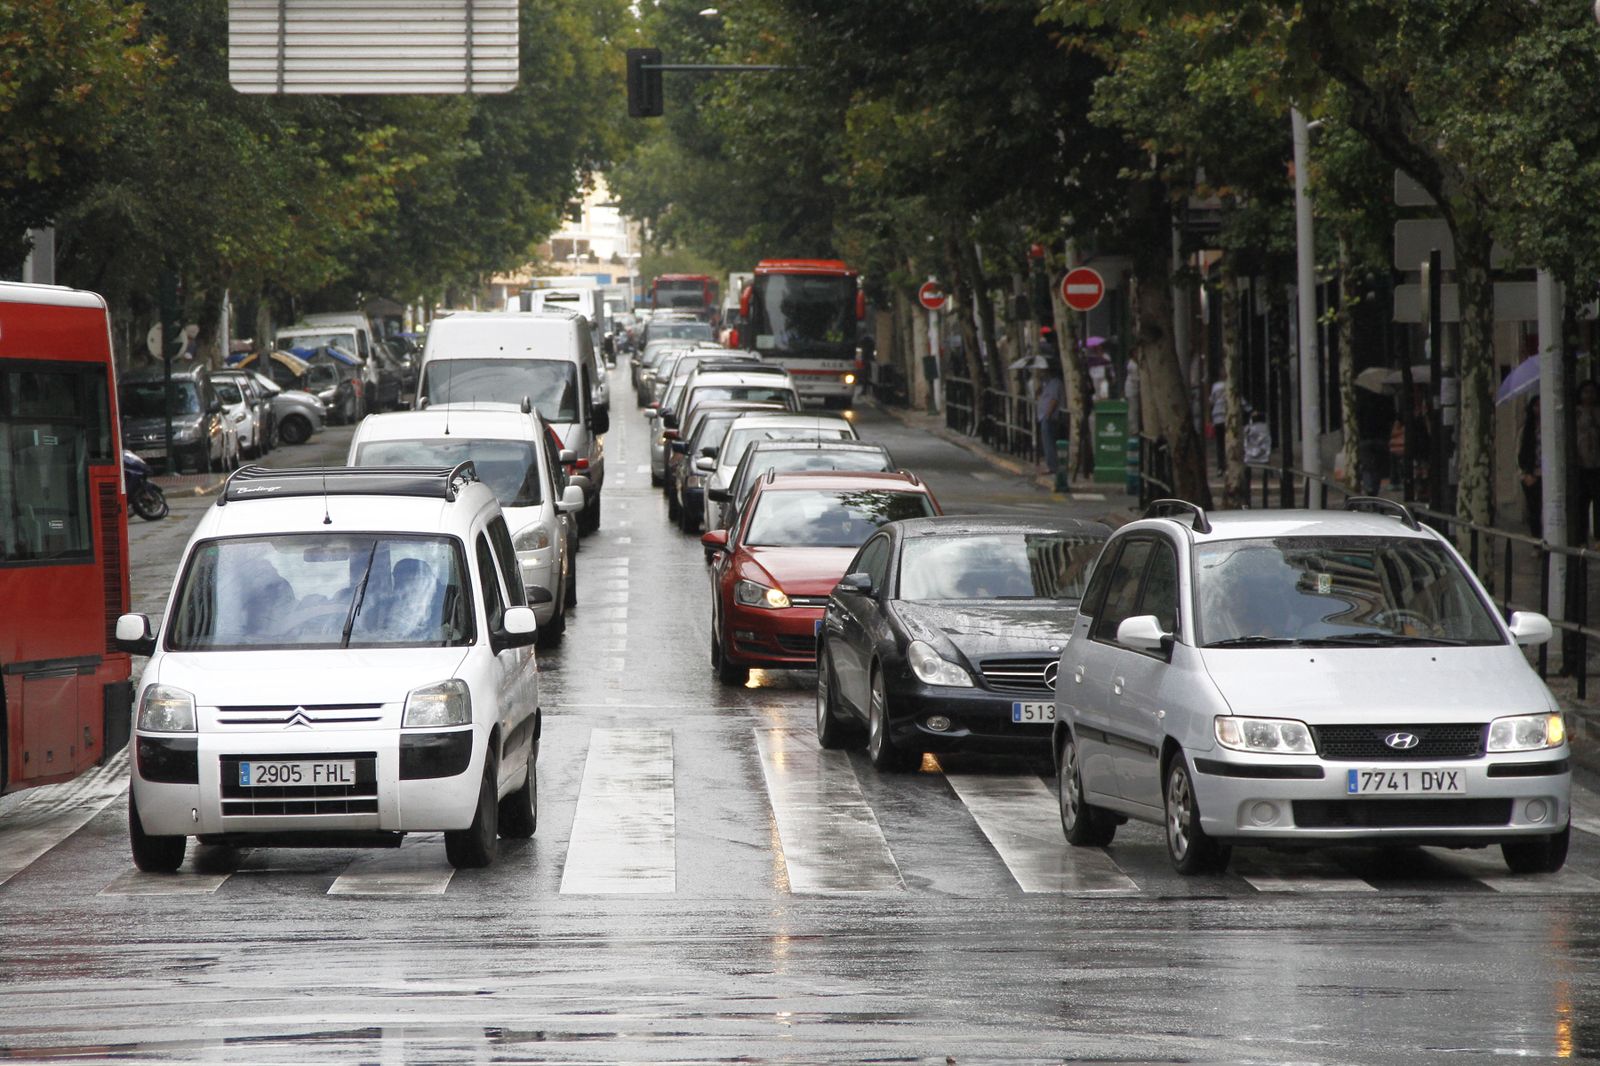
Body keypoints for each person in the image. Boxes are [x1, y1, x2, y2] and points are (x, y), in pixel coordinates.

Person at [1578, 381, 1600, 545]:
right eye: (1586, 392)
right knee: (1581, 504)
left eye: (1592, 392)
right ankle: (1581, 538)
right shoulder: (1576, 413)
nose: (1589, 396)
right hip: (1581, 464)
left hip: (1597, 464)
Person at [1519, 396, 1542, 539]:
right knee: (1534, 510)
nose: (1539, 409)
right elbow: (1520, 452)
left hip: (1547, 473)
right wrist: (1524, 474)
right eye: (1536, 406)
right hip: (1531, 474)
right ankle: (1536, 539)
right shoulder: (1526, 430)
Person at [1036, 363, 1065, 475]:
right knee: (1046, 441)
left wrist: (1048, 415)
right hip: (1044, 416)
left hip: (1049, 417)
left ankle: (1052, 466)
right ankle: (1050, 464)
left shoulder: (1055, 383)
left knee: (1049, 442)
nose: (1042, 373)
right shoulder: (1047, 384)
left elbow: (1054, 400)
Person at [1209, 379, 1226, 474]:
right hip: (1227, 417)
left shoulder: (1215, 386)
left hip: (1217, 417)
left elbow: (1211, 401)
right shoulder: (1229, 385)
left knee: (1219, 444)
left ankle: (1220, 467)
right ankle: (1227, 465)